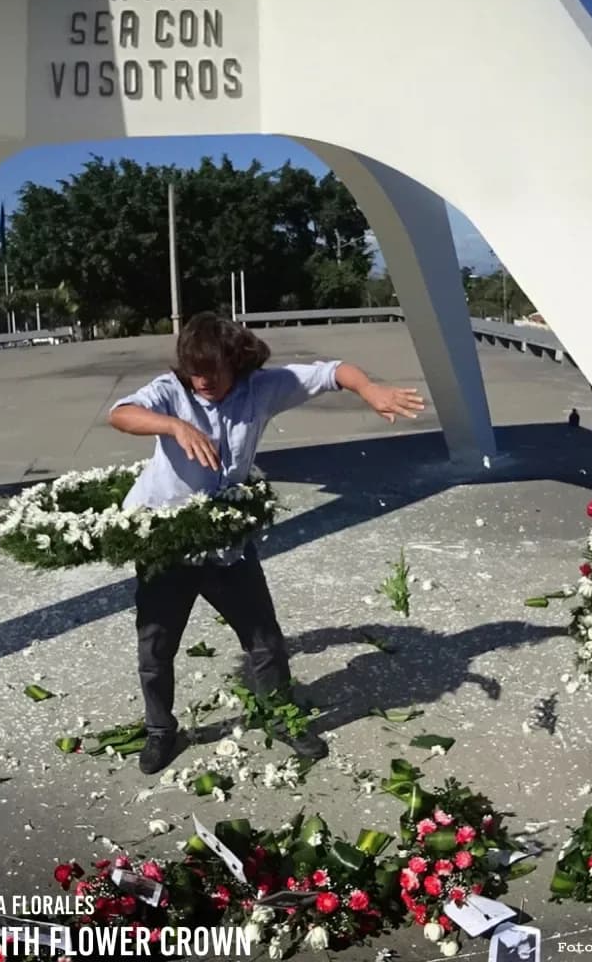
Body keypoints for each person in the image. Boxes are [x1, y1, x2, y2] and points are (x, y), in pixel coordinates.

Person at [108, 312, 427, 774]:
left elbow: (332, 372)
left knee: (265, 641)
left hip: (226, 541)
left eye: (212, 371)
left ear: (234, 362)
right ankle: (160, 731)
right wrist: (174, 426)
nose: (202, 381)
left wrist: (371, 390)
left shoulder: (262, 388)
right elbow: (121, 414)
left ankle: (281, 718)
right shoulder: (171, 391)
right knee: (155, 646)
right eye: (194, 371)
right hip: (166, 541)